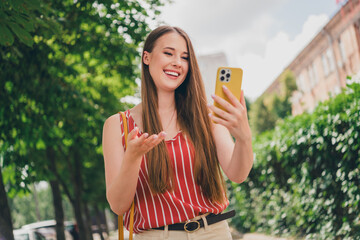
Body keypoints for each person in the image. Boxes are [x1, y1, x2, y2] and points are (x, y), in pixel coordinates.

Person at [102, 26, 253, 240]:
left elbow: (238, 174)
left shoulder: (207, 118)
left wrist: (243, 136)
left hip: (213, 233)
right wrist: (132, 159)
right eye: (168, 53)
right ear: (147, 57)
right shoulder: (117, 125)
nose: (177, 62)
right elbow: (118, 205)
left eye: (184, 57)